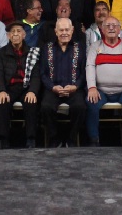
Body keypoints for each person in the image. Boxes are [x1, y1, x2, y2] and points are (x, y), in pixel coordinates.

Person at [86, 16, 122, 146]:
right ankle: (93, 140)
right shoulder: (95, 46)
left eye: (114, 26)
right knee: (90, 102)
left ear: (119, 29)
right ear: (102, 29)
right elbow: (89, 67)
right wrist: (92, 87)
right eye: (107, 26)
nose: (111, 28)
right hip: (101, 91)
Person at [40, 18, 88, 147]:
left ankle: (71, 139)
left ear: (72, 30)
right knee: (45, 107)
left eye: (67, 30)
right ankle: (54, 139)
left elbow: (84, 72)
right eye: (61, 30)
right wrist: (52, 87)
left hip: (74, 89)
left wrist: (76, 86)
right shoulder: (47, 48)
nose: (64, 33)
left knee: (80, 107)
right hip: (53, 89)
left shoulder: (80, 47)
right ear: (56, 31)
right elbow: (42, 73)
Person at [0, 22, 41, 148]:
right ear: (8, 36)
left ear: (24, 35)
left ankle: (31, 139)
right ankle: (3, 140)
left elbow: (36, 76)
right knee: (2, 101)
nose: (15, 34)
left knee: (31, 101)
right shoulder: (1, 53)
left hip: (26, 88)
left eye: (19, 31)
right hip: (9, 88)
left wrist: (32, 91)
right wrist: (1, 91)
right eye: (12, 32)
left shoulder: (32, 52)